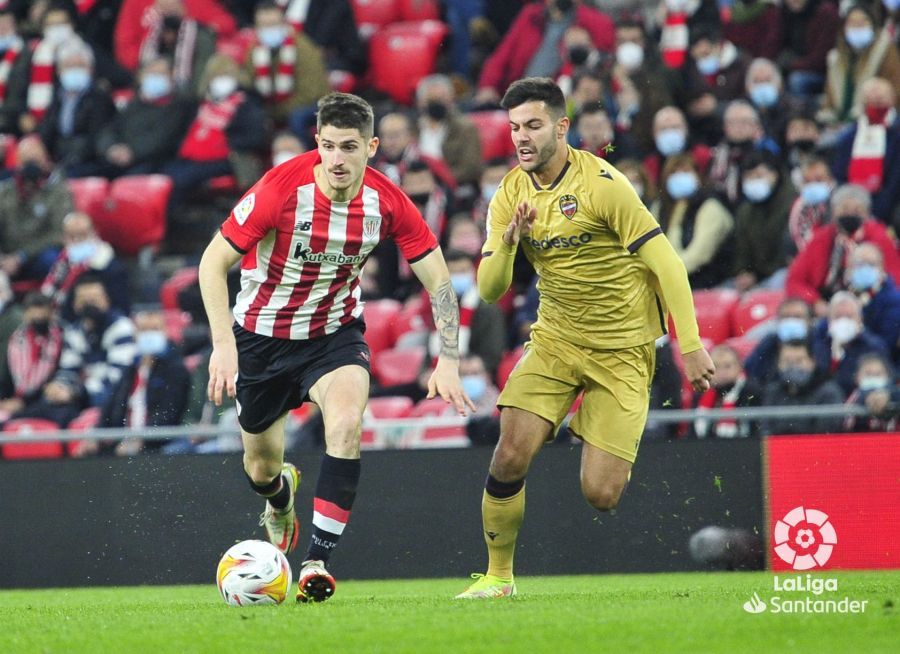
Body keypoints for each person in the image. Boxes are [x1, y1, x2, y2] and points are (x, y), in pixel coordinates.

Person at [198, 92, 474, 603]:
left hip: (333, 336)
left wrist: (449, 359)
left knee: (346, 425)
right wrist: (223, 346)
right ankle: (280, 498)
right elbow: (211, 263)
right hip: (260, 338)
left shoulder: (387, 201)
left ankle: (317, 563)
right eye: (328, 146)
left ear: (372, 146)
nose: (337, 159)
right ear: (317, 144)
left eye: (349, 147)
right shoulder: (280, 191)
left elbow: (438, 281)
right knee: (259, 468)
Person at [455, 77, 713, 599]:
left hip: (622, 350)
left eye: (532, 125)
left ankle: (588, 416)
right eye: (513, 128)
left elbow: (666, 261)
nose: (522, 137)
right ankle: (497, 578)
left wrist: (690, 343)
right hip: (556, 341)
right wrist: (507, 244)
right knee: (508, 455)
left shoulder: (604, 184)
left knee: (601, 495)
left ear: (561, 126)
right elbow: (489, 290)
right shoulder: (509, 192)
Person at [786, 184, 900, 315]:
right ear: (834, 212)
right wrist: (815, 302)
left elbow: (895, 279)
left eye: (857, 211)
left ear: (867, 213)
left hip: (871, 304)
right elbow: (795, 280)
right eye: (844, 210)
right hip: (825, 304)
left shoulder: (880, 237)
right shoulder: (822, 238)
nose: (850, 215)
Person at [652, 152, 734, 289]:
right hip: (669, 281)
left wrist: (667, 274)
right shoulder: (660, 208)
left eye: (685, 171)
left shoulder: (710, 207)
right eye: (673, 173)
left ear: (698, 176)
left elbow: (699, 255)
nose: (679, 177)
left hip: (707, 282)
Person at [37, 37, 117, 178]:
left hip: (89, 162)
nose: (74, 71)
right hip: (60, 160)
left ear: (91, 70)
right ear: (59, 71)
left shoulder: (99, 97)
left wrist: (61, 165)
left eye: (80, 66)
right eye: (69, 66)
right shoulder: (58, 96)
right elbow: (47, 131)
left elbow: (96, 138)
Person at [0, 136, 74, 282]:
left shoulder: (59, 191)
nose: (31, 168)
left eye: (35, 162)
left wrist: (22, 256)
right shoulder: (6, 191)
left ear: (46, 161)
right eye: (26, 162)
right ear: (18, 163)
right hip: (7, 257)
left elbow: (59, 233)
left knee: (53, 261)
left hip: (37, 256)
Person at [830, 77, 900, 225]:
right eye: (870, 100)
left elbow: (895, 179)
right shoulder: (850, 136)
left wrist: (876, 211)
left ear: (892, 100)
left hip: (890, 202)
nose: (876, 104)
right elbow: (840, 173)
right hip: (852, 201)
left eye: (880, 99)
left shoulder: (897, 133)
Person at [40, 211, 130, 321]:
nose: (77, 240)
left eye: (82, 235)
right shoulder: (61, 265)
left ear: (94, 234)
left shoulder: (110, 268)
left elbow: (121, 309)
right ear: (63, 238)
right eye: (72, 236)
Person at [811, 290, 890, 396]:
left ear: (860, 319)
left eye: (849, 316)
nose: (843, 321)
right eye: (838, 316)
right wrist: (835, 359)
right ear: (829, 320)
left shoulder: (874, 346)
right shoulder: (819, 345)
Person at [760, 339, 845, 435]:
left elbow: (827, 430)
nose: (793, 366)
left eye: (799, 361)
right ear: (779, 364)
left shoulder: (829, 392)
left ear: (812, 362)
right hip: (778, 448)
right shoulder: (772, 392)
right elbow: (765, 429)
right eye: (787, 361)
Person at [692, 344, 761, 439]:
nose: (721, 372)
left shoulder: (752, 391)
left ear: (739, 367)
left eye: (727, 366)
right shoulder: (700, 393)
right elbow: (691, 432)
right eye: (715, 366)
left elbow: (758, 429)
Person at [843, 353, 900, 432]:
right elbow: (846, 421)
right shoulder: (854, 396)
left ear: (888, 376)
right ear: (857, 377)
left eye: (878, 374)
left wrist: (888, 395)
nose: (873, 378)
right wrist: (867, 397)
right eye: (868, 374)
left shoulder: (894, 393)